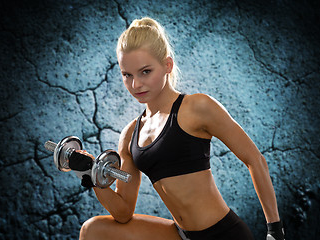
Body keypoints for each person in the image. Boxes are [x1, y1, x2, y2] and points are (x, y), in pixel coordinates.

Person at [79, 17, 285, 240]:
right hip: (181, 235)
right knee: (93, 231)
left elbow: (255, 160)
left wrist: (275, 230)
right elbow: (123, 213)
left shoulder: (197, 107)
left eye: (145, 72)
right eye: (127, 75)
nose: (136, 84)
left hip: (223, 234)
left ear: (167, 65)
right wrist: (91, 174)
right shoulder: (130, 135)